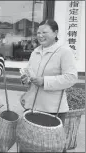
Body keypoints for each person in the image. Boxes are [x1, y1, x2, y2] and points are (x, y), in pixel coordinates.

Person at [20, 19, 78, 151]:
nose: (40, 35)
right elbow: (30, 72)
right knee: (29, 145)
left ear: (55, 32)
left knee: (51, 148)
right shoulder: (35, 52)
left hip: (52, 110)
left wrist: (44, 81)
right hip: (32, 108)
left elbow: (71, 77)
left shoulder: (64, 51)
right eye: (38, 32)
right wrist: (25, 79)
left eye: (44, 32)